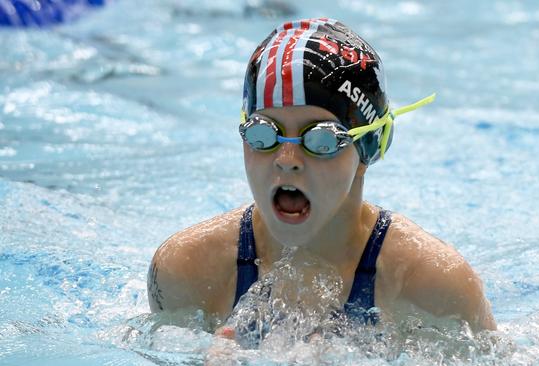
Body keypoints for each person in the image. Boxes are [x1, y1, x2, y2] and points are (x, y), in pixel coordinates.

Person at [147, 18, 496, 341]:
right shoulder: (188, 270)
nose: (287, 161)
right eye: (263, 135)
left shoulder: (434, 286)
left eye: (322, 140)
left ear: (368, 147)